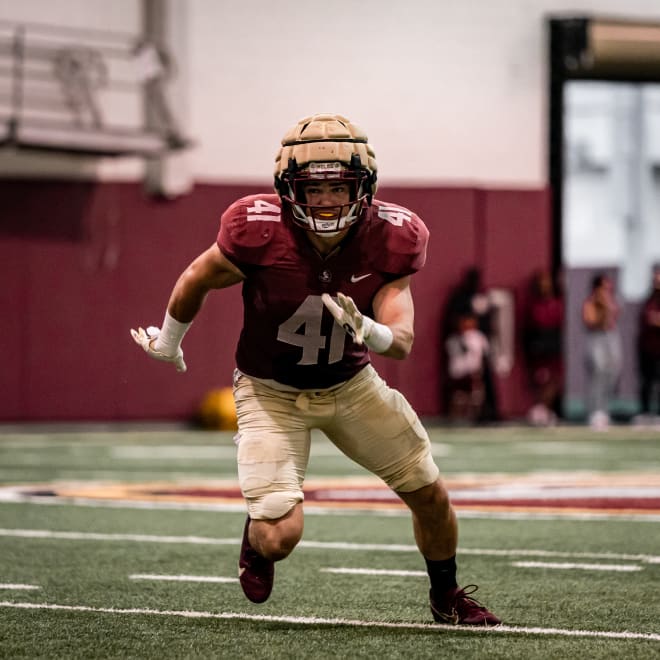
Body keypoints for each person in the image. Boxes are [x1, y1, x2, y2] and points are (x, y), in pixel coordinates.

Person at [131, 113, 500, 626]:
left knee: (430, 493)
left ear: (363, 187)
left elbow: (403, 340)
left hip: (351, 386)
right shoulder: (255, 229)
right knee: (280, 536)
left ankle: (447, 596)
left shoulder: (391, 237)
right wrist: (170, 341)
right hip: (269, 391)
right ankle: (256, 543)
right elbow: (197, 277)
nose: (326, 199)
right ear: (288, 189)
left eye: (339, 186)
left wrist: (370, 331)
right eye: (314, 187)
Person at [443, 267, 500, 422]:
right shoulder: (455, 338)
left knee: (478, 391)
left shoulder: (479, 336)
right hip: (460, 368)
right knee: (459, 393)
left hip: (475, 367)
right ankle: (455, 417)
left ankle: (482, 414)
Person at [581, 273, 622, 431]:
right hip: (596, 339)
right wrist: (603, 308)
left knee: (611, 373)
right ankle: (595, 411)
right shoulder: (590, 303)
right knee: (598, 373)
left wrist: (609, 306)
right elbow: (592, 321)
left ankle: (604, 410)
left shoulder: (610, 301)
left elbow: (613, 319)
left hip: (610, 338)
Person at [523, 269, 564, 426]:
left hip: (554, 345)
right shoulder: (534, 305)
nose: (545, 286)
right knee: (542, 380)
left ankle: (546, 409)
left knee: (555, 380)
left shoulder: (557, 302)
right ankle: (540, 409)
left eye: (547, 283)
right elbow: (535, 323)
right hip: (541, 347)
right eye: (542, 283)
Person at [444, 311, 490, 423]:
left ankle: (475, 419)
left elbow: (485, 354)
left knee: (476, 397)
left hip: (474, 373)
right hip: (459, 374)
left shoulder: (479, 337)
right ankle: (455, 420)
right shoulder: (454, 339)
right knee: (458, 397)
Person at [635, 266, 660, 422]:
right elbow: (647, 318)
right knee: (647, 380)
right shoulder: (650, 298)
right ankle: (645, 412)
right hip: (648, 347)